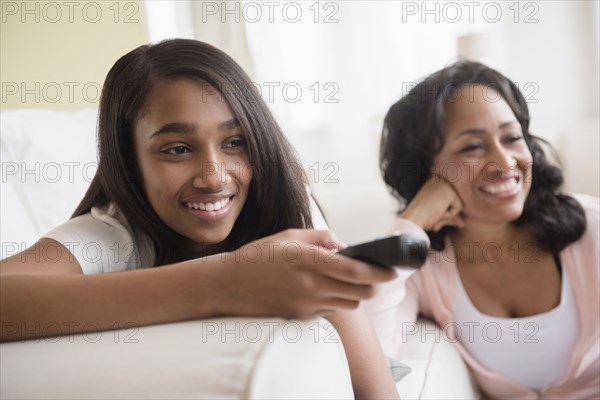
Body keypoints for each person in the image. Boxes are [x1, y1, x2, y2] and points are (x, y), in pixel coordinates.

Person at [0, 39, 399, 399]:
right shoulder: (111, 234)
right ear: (129, 161)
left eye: (234, 143)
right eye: (176, 149)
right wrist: (224, 283)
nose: (213, 176)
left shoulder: (281, 207)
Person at [366, 60, 599, 398]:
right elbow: (369, 356)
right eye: (472, 146)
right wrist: (413, 219)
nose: (505, 163)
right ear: (426, 171)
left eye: (512, 137)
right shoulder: (424, 268)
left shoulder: (591, 231)